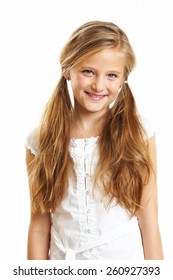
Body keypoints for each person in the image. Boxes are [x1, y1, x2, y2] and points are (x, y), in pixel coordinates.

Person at [25, 20, 163, 260]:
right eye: (88, 71)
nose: (99, 85)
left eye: (111, 75)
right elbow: (39, 223)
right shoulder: (40, 140)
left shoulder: (138, 133)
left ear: (123, 80)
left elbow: (148, 221)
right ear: (68, 69)